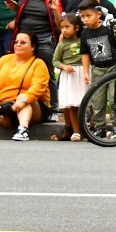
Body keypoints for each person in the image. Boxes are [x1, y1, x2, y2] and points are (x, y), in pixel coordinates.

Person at [9, 0, 65, 118]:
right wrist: (16, 8)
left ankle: (53, 109)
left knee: (47, 73)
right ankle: (22, 104)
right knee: (22, 71)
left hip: (45, 37)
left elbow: (63, 21)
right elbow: (22, 10)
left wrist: (55, 11)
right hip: (25, 37)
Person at [78, 0, 116, 133]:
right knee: (97, 100)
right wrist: (86, 72)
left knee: (115, 97)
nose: (85, 19)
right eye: (82, 16)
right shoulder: (85, 33)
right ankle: (100, 127)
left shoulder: (108, 29)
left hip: (113, 68)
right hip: (97, 70)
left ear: (98, 14)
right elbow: (85, 53)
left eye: (88, 16)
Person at [51, 12, 85, 141]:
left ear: (76, 28)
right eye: (62, 27)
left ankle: (91, 127)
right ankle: (76, 132)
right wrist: (65, 67)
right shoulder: (62, 44)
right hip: (69, 76)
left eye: (67, 27)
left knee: (86, 101)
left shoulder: (83, 41)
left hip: (82, 72)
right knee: (72, 103)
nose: (64, 30)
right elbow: (55, 61)